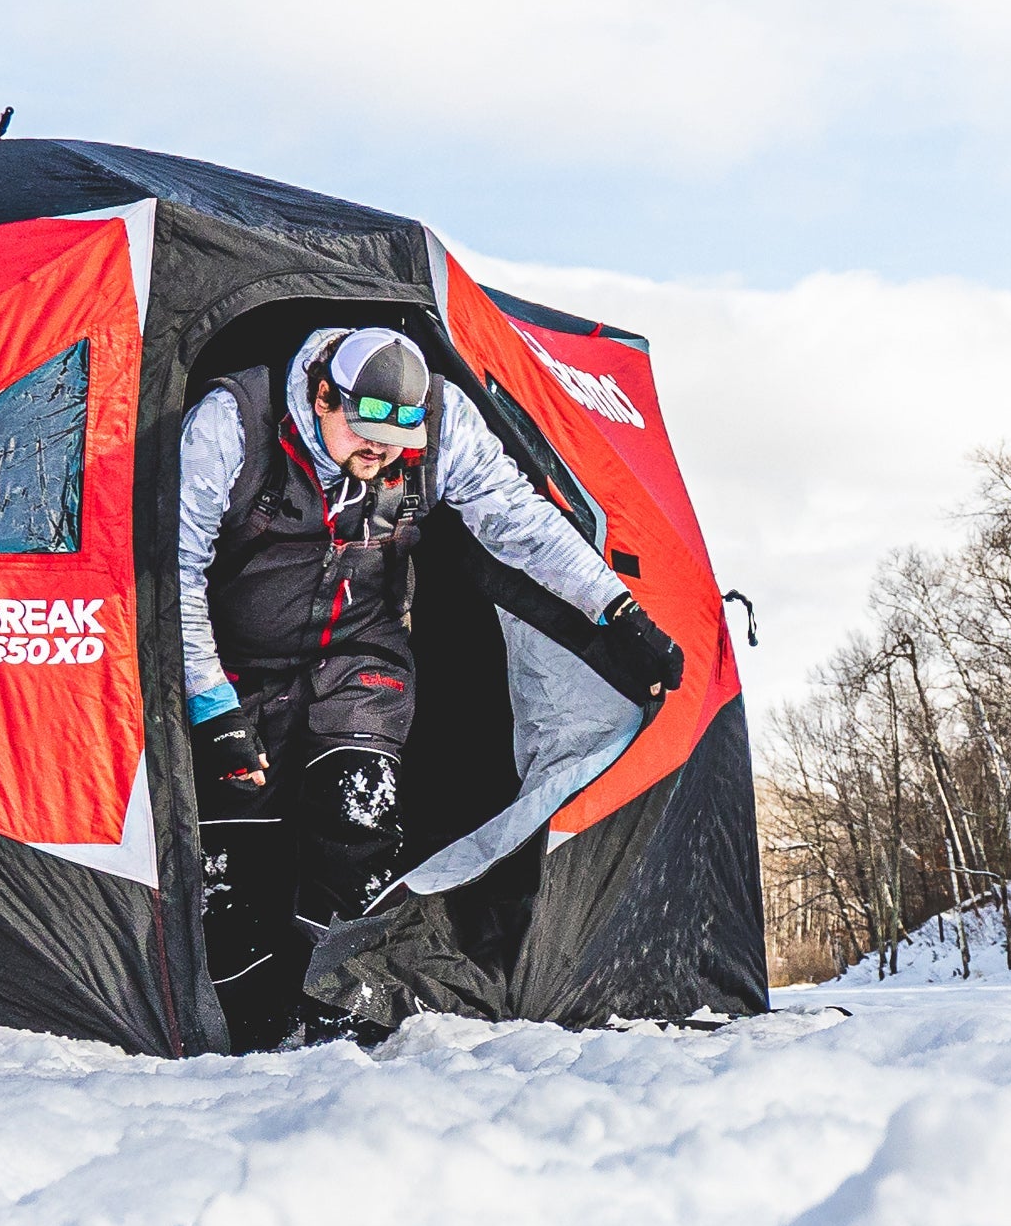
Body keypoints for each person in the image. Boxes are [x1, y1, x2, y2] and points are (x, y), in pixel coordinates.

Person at [180, 324, 684, 1042]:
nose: (378, 458)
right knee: (235, 856)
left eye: (395, 448)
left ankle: (337, 1014)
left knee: (359, 819)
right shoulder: (231, 423)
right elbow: (175, 569)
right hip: (236, 664)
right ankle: (249, 1025)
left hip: (362, 655)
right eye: (362, 436)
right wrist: (211, 705)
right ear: (322, 396)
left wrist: (617, 609)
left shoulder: (444, 426)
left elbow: (520, 521)